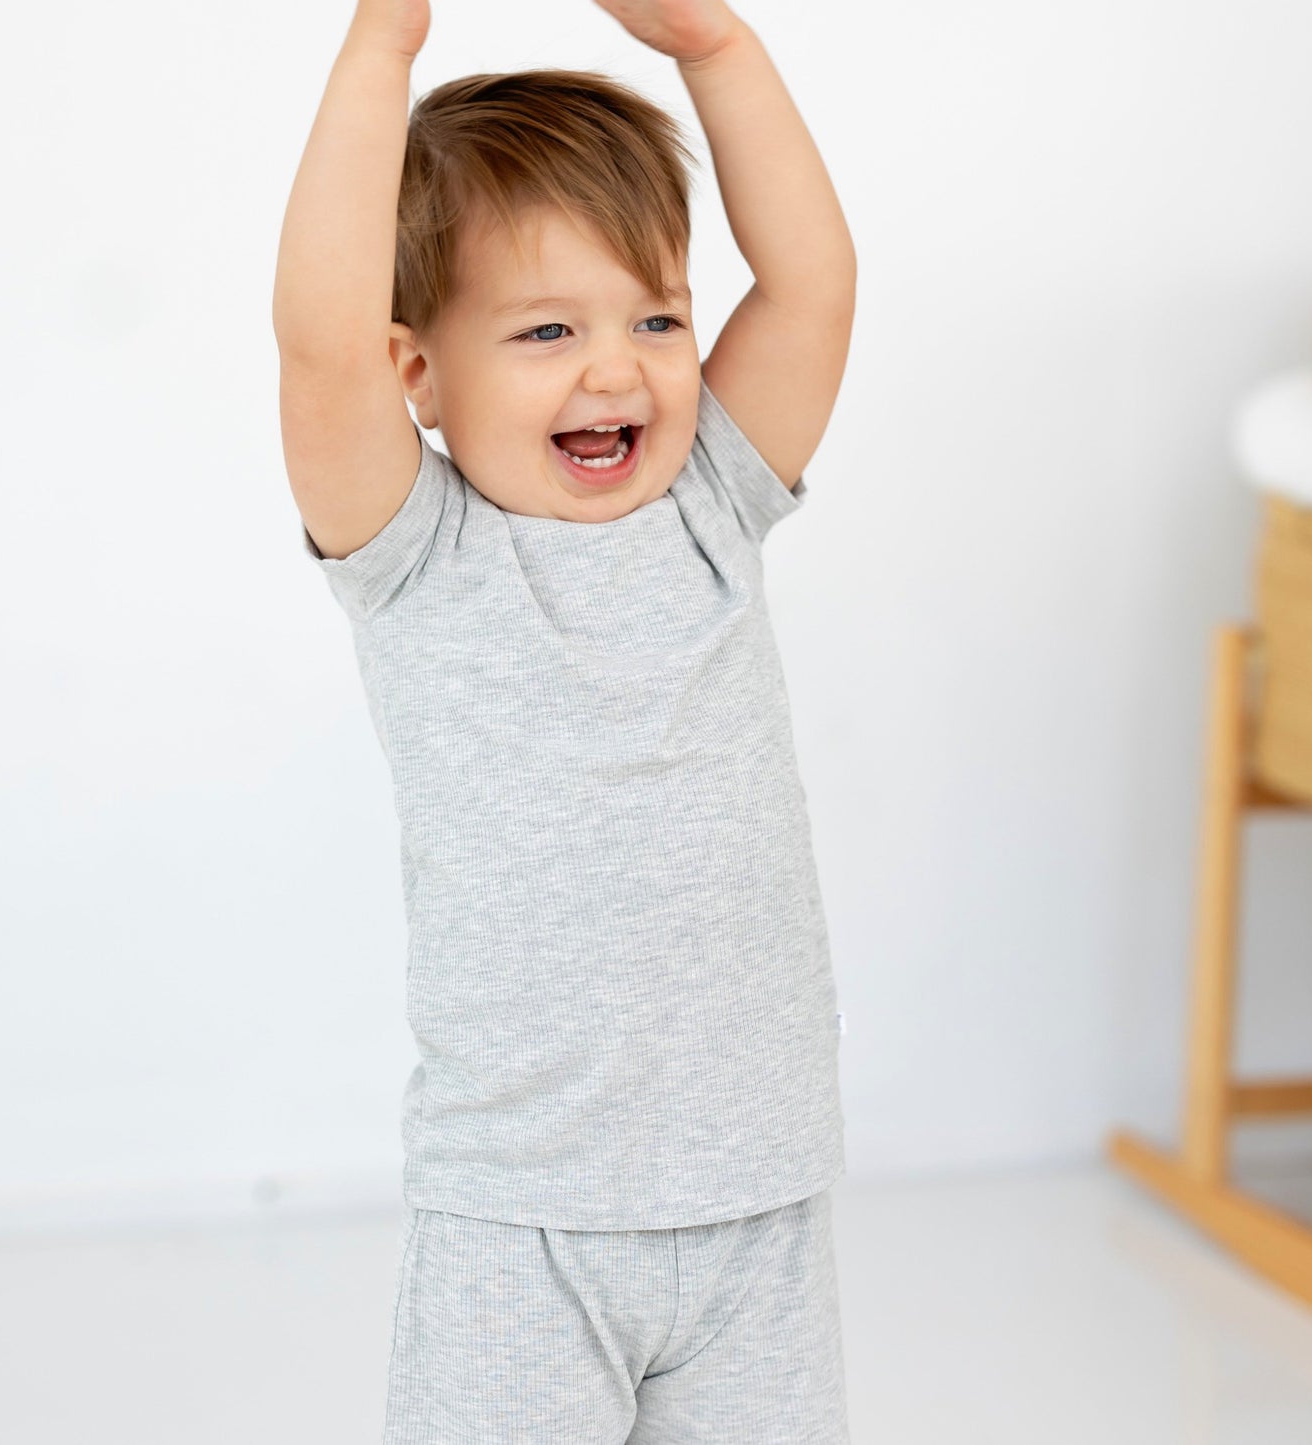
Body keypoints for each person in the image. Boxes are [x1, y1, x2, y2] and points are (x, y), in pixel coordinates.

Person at [272, 0, 855, 1437]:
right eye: (545, 329)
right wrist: (377, 48)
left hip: (756, 1204)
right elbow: (318, 348)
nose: (616, 368)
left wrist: (715, 50)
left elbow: (815, 286)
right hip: (520, 1224)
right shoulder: (415, 554)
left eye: (655, 317)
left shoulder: (715, 503)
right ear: (419, 373)